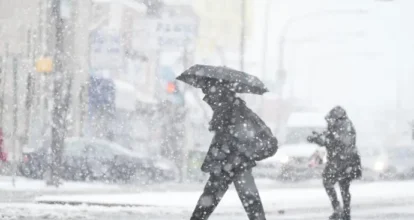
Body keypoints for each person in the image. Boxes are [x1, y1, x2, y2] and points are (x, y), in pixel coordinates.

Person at [190, 82, 278, 220]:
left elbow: (267, 140)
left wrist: (246, 152)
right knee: (250, 202)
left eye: (210, 94)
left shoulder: (234, 111)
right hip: (231, 162)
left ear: (221, 94)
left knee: (210, 200)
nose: (208, 97)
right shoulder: (230, 109)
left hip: (230, 162)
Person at [307, 106, 362, 220]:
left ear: (336, 118)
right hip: (343, 160)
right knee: (342, 186)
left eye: (330, 120)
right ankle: (343, 211)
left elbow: (339, 142)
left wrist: (321, 140)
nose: (329, 123)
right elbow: (330, 138)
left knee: (333, 183)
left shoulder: (344, 125)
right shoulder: (340, 125)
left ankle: (340, 210)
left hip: (343, 160)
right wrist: (318, 138)